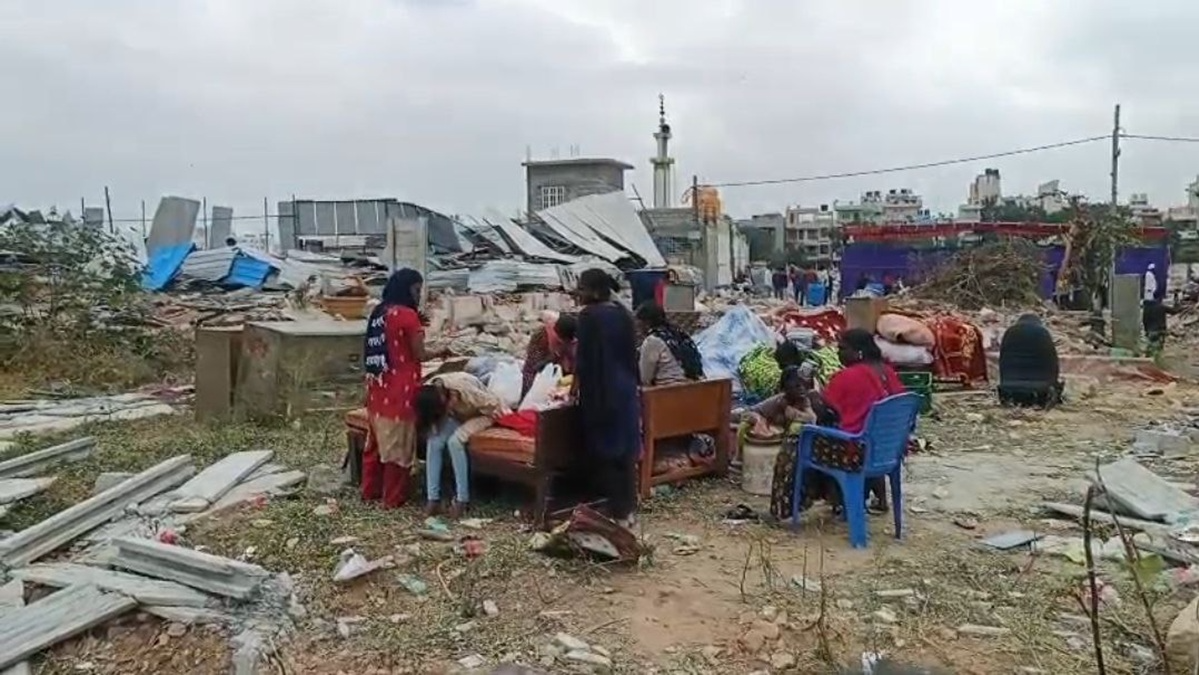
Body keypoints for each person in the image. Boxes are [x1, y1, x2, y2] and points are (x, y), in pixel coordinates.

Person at [773, 329, 906, 518]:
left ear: (858, 352)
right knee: (866, 433)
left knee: (797, 441)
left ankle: (787, 508)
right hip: (888, 450)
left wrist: (809, 390)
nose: (838, 353)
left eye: (843, 348)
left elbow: (821, 410)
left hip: (856, 453)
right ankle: (873, 499)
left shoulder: (849, 377)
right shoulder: (888, 372)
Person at [574, 268, 642, 528]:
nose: (578, 294)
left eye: (581, 288)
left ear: (593, 290)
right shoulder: (623, 314)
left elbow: (584, 360)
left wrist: (574, 389)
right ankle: (627, 510)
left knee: (605, 452)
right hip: (625, 390)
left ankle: (615, 512)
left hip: (602, 391)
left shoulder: (589, 317)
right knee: (625, 452)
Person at [361, 268, 430, 508]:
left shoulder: (379, 311)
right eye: (417, 290)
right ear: (407, 289)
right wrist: (441, 350)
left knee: (376, 442)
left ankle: (370, 491)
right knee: (398, 446)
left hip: (378, 387)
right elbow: (419, 353)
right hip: (401, 389)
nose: (419, 295)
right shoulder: (408, 316)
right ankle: (393, 498)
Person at [416, 371, 507, 518]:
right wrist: (446, 415)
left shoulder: (463, 389)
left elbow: (494, 404)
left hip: (482, 413)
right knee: (434, 442)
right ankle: (433, 499)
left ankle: (461, 499)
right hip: (456, 415)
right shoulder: (430, 390)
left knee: (455, 442)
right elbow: (433, 419)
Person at [998, 314, 1063, 407]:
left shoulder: (1009, 332)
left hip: (1009, 388)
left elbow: (1002, 362)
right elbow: (1053, 363)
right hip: (1041, 390)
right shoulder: (1043, 333)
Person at [635, 301, 704, 386]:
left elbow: (644, 379)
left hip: (667, 392)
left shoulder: (652, 341)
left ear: (646, 322)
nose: (637, 327)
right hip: (694, 388)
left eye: (638, 323)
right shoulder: (678, 333)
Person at [521, 313, 577, 396]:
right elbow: (532, 367)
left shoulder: (573, 340)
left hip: (561, 372)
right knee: (532, 373)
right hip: (543, 359)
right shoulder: (542, 335)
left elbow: (575, 366)